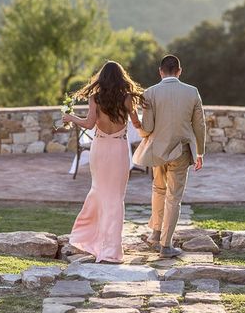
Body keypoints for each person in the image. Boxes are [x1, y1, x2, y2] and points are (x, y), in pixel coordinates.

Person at [62, 61, 143, 263]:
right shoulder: (127, 98)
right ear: (122, 77)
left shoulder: (95, 97)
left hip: (99, 148)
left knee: (98, 192)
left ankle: (90, 240)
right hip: (118, 149)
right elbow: (137, 124)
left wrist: (71, 117)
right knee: (115, 198)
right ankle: (111, 250)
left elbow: (89, 124)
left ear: (102, 77)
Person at [133, 55, 206, 258]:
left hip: (158, 151)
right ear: (179, 71)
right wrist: (200, 151)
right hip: (181, 151)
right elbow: (200, 125)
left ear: (160, 71)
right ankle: (166, 245)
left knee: (158, 190)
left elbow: (147, 129)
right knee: (174, 197)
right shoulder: (192, 92)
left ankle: (156, 234)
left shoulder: (150, 93)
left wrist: (140, 129)